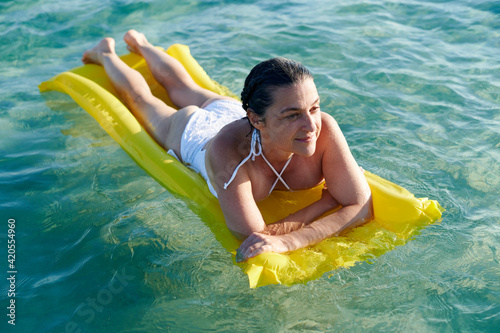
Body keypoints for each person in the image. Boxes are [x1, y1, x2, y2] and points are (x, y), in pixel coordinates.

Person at [82, 30, 373, 262]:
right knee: (142, 100)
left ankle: (141, 43)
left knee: (182, 86)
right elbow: (254, 238)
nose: (311, 125)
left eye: (313, 108)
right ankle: (105, 53)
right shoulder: (229, 156)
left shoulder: (323, 127)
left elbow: (362, 206)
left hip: (236, 115)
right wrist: (325, 202)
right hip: (196, 134)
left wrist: (290, 240)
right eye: (293, 114)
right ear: (257, 119)